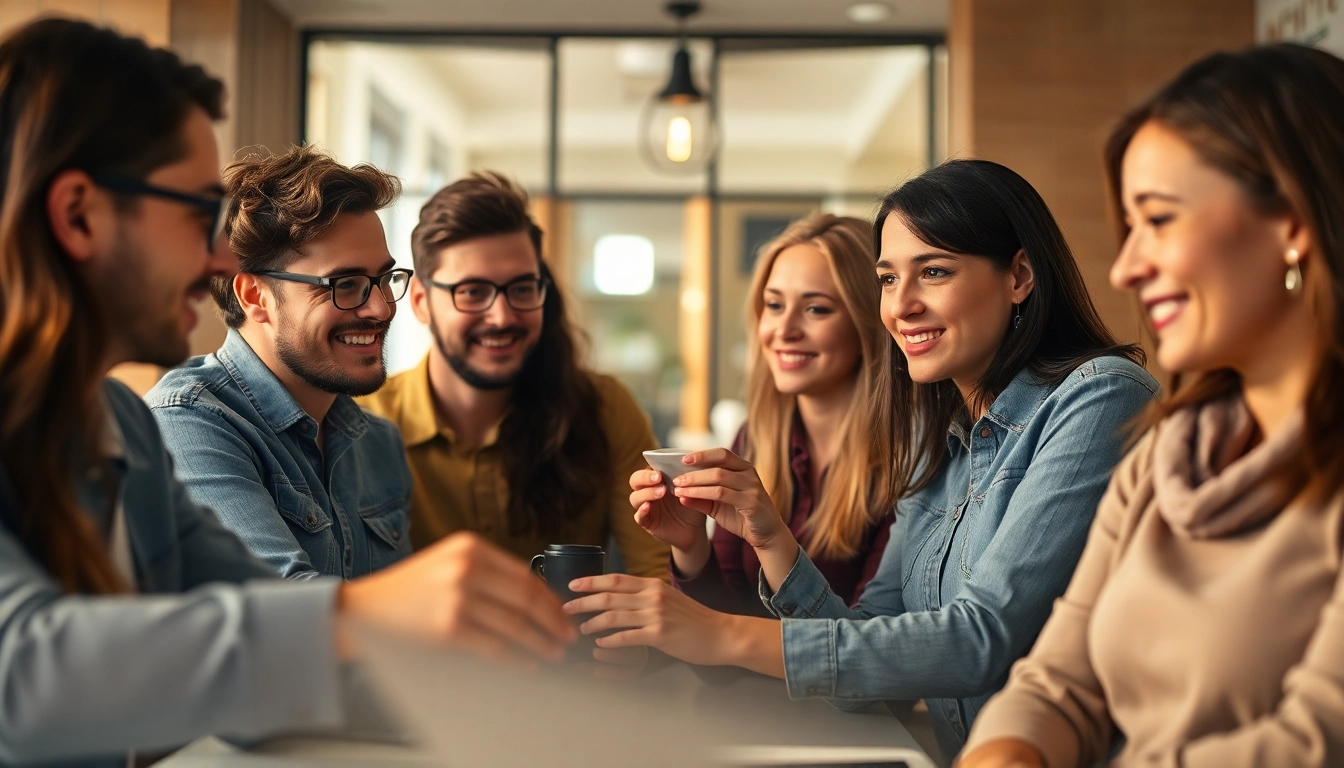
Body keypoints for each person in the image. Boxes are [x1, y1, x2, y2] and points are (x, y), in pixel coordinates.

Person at [0, 19, 574, 766]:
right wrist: (362, 612)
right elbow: (22, 676)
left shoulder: (118, 430)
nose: (215, 258)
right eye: (194, 215)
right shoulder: (176, 420)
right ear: (79, 215)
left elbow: (270, 652)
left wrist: (535, 709)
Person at [568, 159, 1158, 758]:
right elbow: (861, 673)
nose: (901, 306)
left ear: (1020, 276)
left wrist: (717, 634)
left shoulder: (1100, 397)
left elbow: (981, 640)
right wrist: (772, 541)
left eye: (933, 271)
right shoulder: (945, 448)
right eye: (888, 278)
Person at [960, 44, 1344, 768]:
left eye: (1159, 221)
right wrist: (1007, 753)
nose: (1125, 267)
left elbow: (1314, 743)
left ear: (1291, 221)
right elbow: (1056, 683)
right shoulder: (1170, 455)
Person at [357, 172, 669, 580]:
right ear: (420, 302)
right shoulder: (361, 426)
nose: (502, 317)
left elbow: (659, 583)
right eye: (471, 292)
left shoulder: (604, 410)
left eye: (522, 289)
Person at [147, 146, 412, 579]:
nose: (381, 308)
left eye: (384, 279)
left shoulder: (378, 443)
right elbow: (282, 613)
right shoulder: (187, 425)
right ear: (256, 297)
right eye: (345, 284)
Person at [620, 213, 896, 618]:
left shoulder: (909, 458)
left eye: (816, 309)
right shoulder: (755, 439)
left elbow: (863, 654)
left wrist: (773, 544)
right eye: (774, 305)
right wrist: (690, 546)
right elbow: (718, 653)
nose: (784, 329)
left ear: (868, 321)